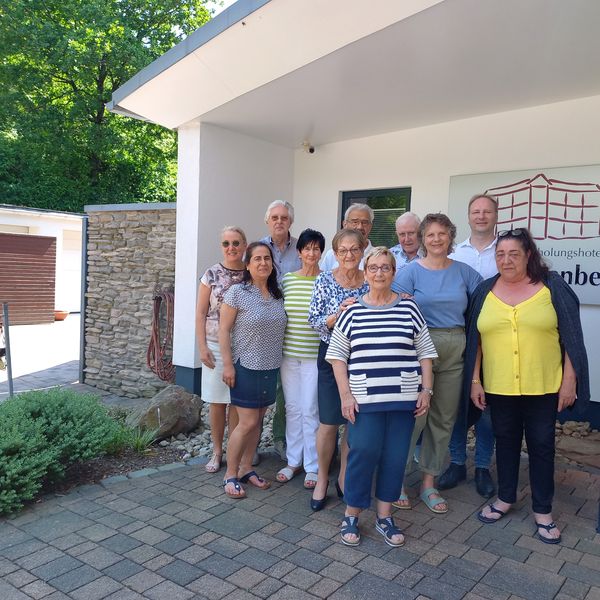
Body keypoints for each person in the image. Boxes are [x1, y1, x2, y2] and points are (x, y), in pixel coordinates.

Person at [466, 228, 589, 544]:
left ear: (529, 255)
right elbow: (475, 340)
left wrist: (570, 380)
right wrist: (476, 380)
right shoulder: (484, 291)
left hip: (544, 385)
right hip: (500, 385)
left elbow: (571, 337)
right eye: (500, 254)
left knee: (542, 445)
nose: (506, 260)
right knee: (504, 442)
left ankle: (543, 511)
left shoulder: (552, 286)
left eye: (513, 254)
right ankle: (505, 498)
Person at [326, 247, 437, 547]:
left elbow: (425, 352)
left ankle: (385, 516)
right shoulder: (351, 310)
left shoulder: (409, 309)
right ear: (365, 273)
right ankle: (351, 513)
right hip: (364, 400)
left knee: (395, 457)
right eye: (373, 268)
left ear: (393, 272)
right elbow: (337, 356)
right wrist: (345, 396)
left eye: (385, 268)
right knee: (362, 454)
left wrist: (426, 390)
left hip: (403, 398)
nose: (379, 273)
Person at [392, 213, 482, 513]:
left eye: (442, 234)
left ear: (450, 236)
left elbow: (485, 301)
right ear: (422, 238)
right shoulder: (409, 272)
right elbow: (391, 307)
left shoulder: (464, 272)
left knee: (443, 418)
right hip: (419, 348)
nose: (436, 239)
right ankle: (398, 481)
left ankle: (429, 483)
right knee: (414, 417)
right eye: (430, 234)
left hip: (455, 346)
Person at [439, 194, 499, 498]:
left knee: (489, 406)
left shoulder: (504, 250)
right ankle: (458, 462)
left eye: (486, 211)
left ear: (495, 216)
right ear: (468, 216)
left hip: (497, 337)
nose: (481, 216)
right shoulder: (456, 253)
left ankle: (483, 467)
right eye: (476, 211)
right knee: (458, 402)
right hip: (463, 336)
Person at [219, 242, 287, 498]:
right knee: (246, 422)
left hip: (270, 367)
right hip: (244, 365)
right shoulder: (237, 292)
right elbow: (224, 330)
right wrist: (227, 365)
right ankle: (230, 474)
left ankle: (247, 468)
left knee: (257, 421)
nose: (263, 263)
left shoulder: (277, 294)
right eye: (257, 259)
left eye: (267, 258)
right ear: (248, 265)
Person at [308, 229, 369, 510]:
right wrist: (339, 314)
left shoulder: (369, 280)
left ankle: (344, 476)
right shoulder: (324, 279)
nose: (348, 255)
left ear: (362, 250)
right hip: (333, 357)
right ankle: (322, 478)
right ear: (335, 252)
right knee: (329, 422)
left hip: (364, 359)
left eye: (354, 249)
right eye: (343, 250)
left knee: (353, 421)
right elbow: (314, 320)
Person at [277, 229, 325, 489]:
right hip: (288, 356)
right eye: (307, 248)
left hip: (313, 357)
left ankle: (313, 466)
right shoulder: (288, 280)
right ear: (299, 252)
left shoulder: (326, 280)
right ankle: (293, 461)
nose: (311, 253)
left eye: (316, 249)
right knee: (293, 409)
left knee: (310, 409)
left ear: (321, 252)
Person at [196, 226, 247, 473]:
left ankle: (234, 450)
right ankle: (217, 451)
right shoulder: (211, 275)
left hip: (244, 347)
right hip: (215, 346)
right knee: (217, 401)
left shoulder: (251, 273)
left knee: (237, 402)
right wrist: (202, 347)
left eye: (236, 243)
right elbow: (200, 313)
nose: (231, 248)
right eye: (226, 243)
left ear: (244, 246)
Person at [260, 200, 301, 462]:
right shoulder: (259, 248)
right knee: (261, 386)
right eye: (274, 217)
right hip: (265, 324)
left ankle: (280, 438)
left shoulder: (302, 249)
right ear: (267, 221)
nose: (279, 221)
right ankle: (250, 443)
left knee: (286, 389)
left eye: (284, 217)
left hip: (295, 326)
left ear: (290, 221)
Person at [320, 204, 374, 270]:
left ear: (370, 226)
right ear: (345, 224)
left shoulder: (377, 255)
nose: (360, 227)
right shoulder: (332, 254)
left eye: (364, 222)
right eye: (355, 222)